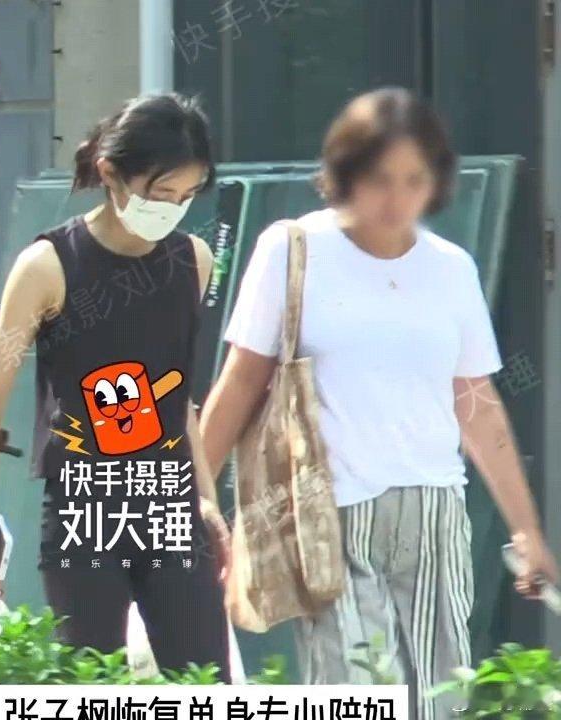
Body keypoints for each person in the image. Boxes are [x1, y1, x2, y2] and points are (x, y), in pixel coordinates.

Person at [199, 87, 559, 717]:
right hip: (329, 511)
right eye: (379, 180)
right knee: (355, 693)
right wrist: (191, 496)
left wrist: (526, 531)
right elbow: (240, 381)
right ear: (345, 174)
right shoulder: (292, 249)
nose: (397, 200)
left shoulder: (451, 267)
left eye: (415, 181)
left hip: (436, 513)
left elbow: (476, 402)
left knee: (441, 700)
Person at [0, 92, 232, 683]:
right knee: (92, 687)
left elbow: (179, 400)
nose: (173, 209)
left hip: (169, 501)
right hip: (83, 504)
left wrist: (207, 497)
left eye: (187, 195)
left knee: (206, 685)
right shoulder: (48, 266)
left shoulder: (194, 261)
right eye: (162, 193)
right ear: (111, 174)